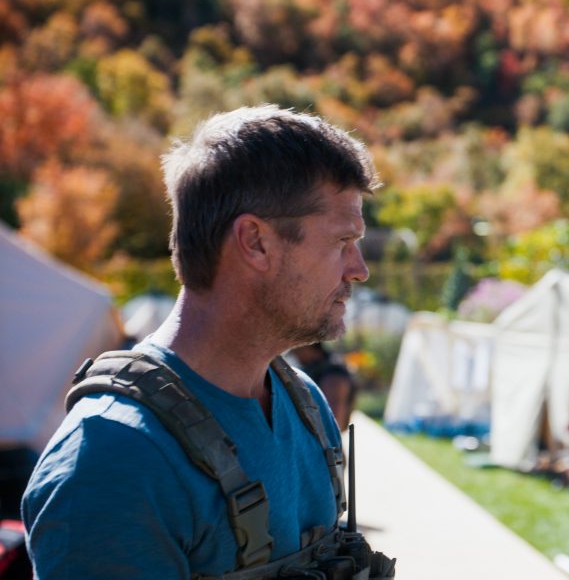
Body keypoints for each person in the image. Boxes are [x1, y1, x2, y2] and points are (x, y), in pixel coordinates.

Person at [22, 105, 390, 578]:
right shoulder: (113, 459)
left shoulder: (307, 408)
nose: (359, 269)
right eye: (342, 242)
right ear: (255, 242)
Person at [290, 343, 358, 431]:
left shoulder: (333, 372)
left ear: (306, 346)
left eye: (296, 350)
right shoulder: (314, 368)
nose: (295, 355)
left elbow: (335, 416)